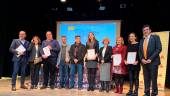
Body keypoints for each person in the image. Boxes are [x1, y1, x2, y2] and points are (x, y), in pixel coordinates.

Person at [139, 25, 162, 96]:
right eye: (144, 30)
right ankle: (147, 93)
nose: (145, 31)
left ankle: (154, 93)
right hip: (144, 63)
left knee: (153, 78)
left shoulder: (156, 37)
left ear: (150, 30)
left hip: (153, 62)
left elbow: (159, 49)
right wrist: (142, 59)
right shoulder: (142, 40)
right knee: (146, 79)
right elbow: (140, 51)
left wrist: (150, 59)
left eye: (147, 29)